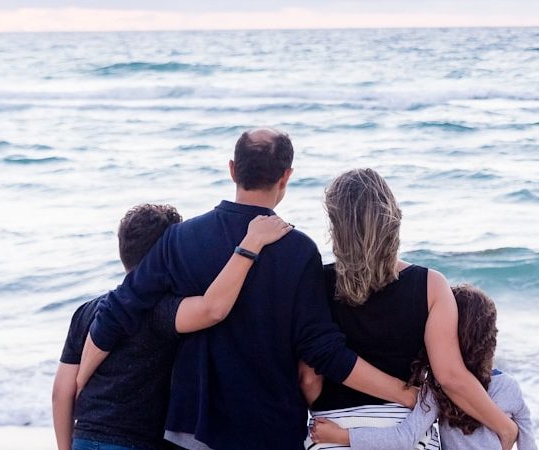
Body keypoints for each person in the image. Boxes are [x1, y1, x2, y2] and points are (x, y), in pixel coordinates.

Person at [77, 129, 417, 450]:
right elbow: (323, 351)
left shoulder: (181, 239)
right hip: (269, 428)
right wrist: (406, 394)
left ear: (232, 169)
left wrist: (78, 382)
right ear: (286, 176)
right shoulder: (298, 250)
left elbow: (120, 310)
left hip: (192, 427)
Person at [299, 169, 518, 450]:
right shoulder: (431, 285)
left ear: (335, 226)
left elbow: (309, 381)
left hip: (331, 433)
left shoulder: (314, 283)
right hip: (408, 433)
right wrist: (504, 426)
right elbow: (451, 377)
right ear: (392, 219)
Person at [52, 204, 293, 450]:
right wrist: (250, 245)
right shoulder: (162, 310)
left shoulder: (87, 311)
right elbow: (213, 309)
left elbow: (62, 391)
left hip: (84, 438)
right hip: (134, 442)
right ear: (170, 252)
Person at [309, 285, 538, 450]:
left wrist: (343, 436)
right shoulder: (510, 388)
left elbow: (403, 438)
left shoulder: (438, 391)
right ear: (491, 338)